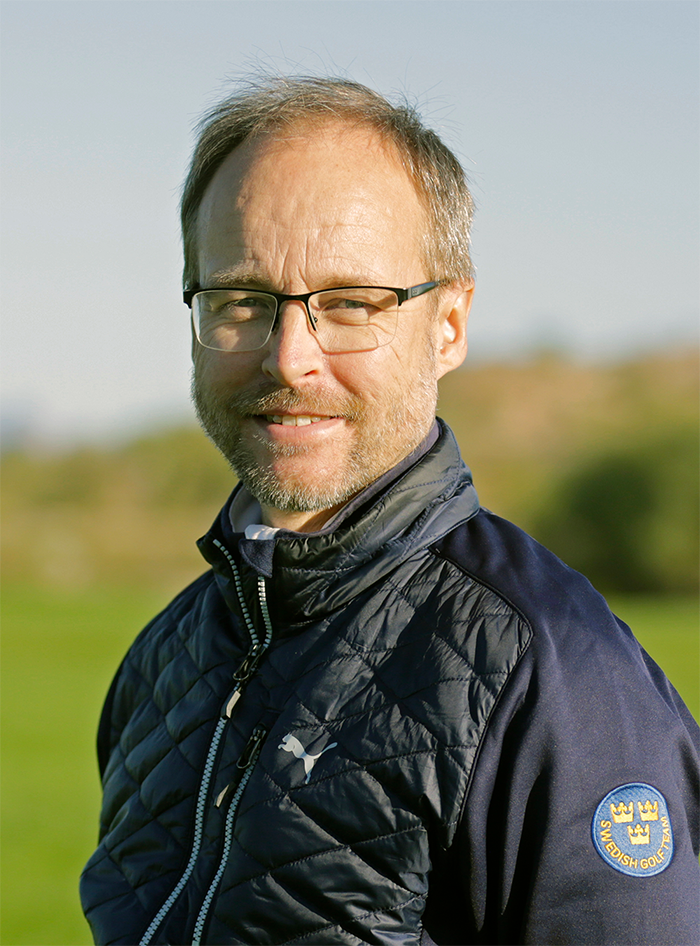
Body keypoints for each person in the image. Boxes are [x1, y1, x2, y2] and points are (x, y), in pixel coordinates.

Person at [80, 76, 700, 945]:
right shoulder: (164, 657)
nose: (289, 358)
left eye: (350, 304)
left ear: (449, 325)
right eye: (242, 300)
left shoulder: (559, 679)